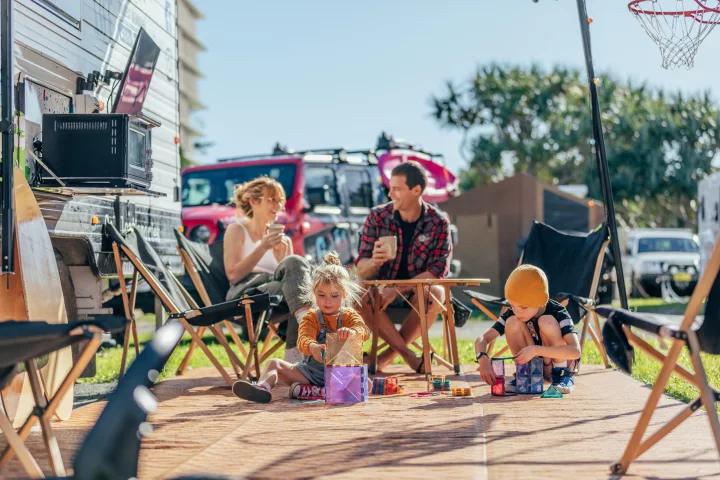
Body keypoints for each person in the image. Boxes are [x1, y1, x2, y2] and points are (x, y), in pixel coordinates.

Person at [232, 251, 370, 403]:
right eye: (321, 295)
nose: (327, 301)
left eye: (334, 295)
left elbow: (364, 330)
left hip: (340, 375)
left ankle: (316, 392)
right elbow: (303, 339)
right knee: (274, 363)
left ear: (344, 295)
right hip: (309, 374)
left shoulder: (349, 315)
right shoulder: (311, 317)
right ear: (313, 293)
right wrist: (313, 348)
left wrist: (352, 332)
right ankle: (262, 388)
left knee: (365, 384)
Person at [355, 161, 452, 373]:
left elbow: (437, 272)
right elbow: (361, 268)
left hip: (417, 294)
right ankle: (408, 355)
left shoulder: (438, 222)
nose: (390, 194)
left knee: (435, 292)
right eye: (390, 188)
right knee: (357, 292)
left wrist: (397, 287)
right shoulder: (377, 216)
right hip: (378, 295)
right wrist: (374, 262)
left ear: (416, 190)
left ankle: (384, 358)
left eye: (396, 189)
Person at [224, 176, 312, 363]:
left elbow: (290, 279)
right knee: (303, 290)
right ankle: (305, 332)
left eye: (280, 201)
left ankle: (295, 349)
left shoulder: (283, 240)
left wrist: (282, 258)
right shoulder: (237, 230)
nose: (278, 205)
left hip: (277, 298)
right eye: (272, 199)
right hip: (245, 296)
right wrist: (262, 247)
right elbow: (232, 275)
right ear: (254, 201)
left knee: (296, 267)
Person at [474, 264, 582, 394]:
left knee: (546, 321)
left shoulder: (558, 312)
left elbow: (575, 351)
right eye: (513, 305)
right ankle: (525, 375)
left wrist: (535, 350)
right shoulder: (514, 313)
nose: (518, 311)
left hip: (559, 364)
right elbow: (483, 338)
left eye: (524, 307)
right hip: (536, 368)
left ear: (541, 301)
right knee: (512, 322)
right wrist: (483, 360)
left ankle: (562, 377)